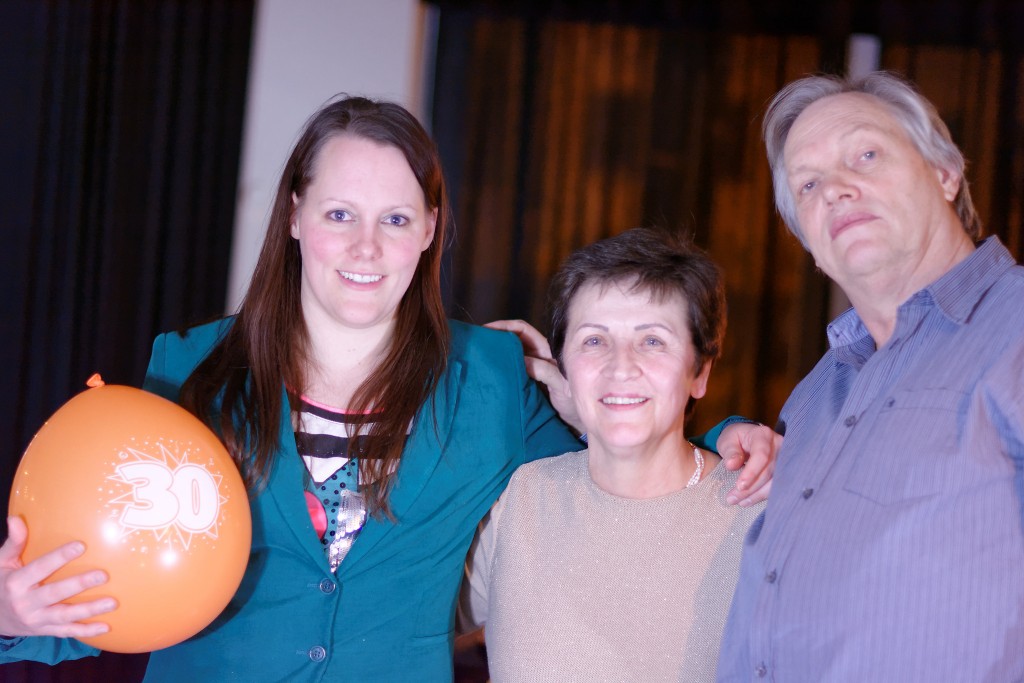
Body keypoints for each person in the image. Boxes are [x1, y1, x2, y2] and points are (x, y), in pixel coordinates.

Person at [0, 96, 771, 681]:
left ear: (429, 228)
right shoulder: (191, 367)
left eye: (396, 219)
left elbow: (624, 452)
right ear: (295, 214)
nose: (366, 246)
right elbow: (124, 566)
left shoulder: (491, 377)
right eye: (340, 213)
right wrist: (13, 615)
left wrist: (722, 436)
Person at [717, 72, 1024, 681]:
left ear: (945, 174)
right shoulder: (813, 399)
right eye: (808, 184)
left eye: (865, 155)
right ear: (807, 241)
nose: (835, 189)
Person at [460, 228, 765, 681]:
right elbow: (411, 623)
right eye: (594, 340)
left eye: (652, 340)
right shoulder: (523, 497)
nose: (621, 366)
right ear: (564, 367)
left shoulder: (758, 516)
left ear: (700, 372)